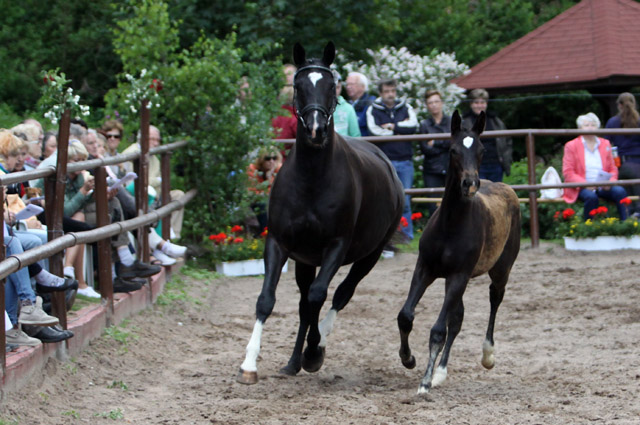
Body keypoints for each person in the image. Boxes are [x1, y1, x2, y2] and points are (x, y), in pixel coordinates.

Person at [366, 78, 418, 241]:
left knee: (406, 200)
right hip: (383, 162)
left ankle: (406, 236)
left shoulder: (406, 107)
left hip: (405, 161)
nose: (390, 94)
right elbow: (374, 131)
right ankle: (384, 237)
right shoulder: (372, 110)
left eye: (393, 91)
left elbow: (413, 127)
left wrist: (392, 127)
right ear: (380, 93)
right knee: (384, 200)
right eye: (387, 91)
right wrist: (398, 133)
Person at [562, 112, 629, 221]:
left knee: (620, 191)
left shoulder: (605, 143)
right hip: (581, 187)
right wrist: (586, 184)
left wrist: (611, 181)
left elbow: (613, 168)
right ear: (579, 128)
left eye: (593, 125)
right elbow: (568, 173)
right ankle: (588, 228)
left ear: (597, 127)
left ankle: (627, 226)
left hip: (603, 185)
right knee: (591, 197)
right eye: (586, 125)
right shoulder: (571, 145)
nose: (590, 128)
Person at [462, 88, 512, 182]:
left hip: (496, 164)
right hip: (476, 166)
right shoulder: (465, 123)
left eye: (482, 102)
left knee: (496, 193)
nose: (479, 105)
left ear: (486, 104)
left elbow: (507, 141)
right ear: (471, 104)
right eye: (476, 102)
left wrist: (506, 159)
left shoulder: (496, 121)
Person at [605, 92, 640, 217]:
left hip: (621, 164)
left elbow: (606, 144)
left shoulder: (612, 122)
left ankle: (627, 225)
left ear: (619, 105)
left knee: (627, 201)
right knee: (638, 202)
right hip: (637, 163)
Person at [418, 90, 452, 218]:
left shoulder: (451, 121)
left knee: (453, 203)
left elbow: (455, 143)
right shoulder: (424, 125)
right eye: (430, 102)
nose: (434, 105)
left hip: (451, 168)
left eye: (436, 101)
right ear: (427, 106)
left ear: (442, 103)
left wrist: (435, 142)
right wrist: (445, 143)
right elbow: (425, 148)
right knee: (433, 206)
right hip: (432, 170)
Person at [247, 148, 283, 232]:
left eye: (274, 158)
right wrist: (268, 181)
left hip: (275, 201)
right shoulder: (252, 169)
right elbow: (252, 193)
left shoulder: (279, 169)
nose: (271, 161)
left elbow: (279, 192)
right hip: (258, 202)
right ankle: (264, 233)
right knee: (262, 205)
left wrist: (270, 177)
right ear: (261, 160)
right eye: (267, 158)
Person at [346, 72, 376, 137]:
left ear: (363, 86)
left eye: (352, 84)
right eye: (347, 84)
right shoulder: (345, 105)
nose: (348, 87)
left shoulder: (371, 103)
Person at [331, 70, 361, 137]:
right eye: (331, 87)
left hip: (344, 145)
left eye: (337, 87)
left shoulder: (348, 108)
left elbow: (356, 135)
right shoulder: (317, 109)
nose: (334, 91)